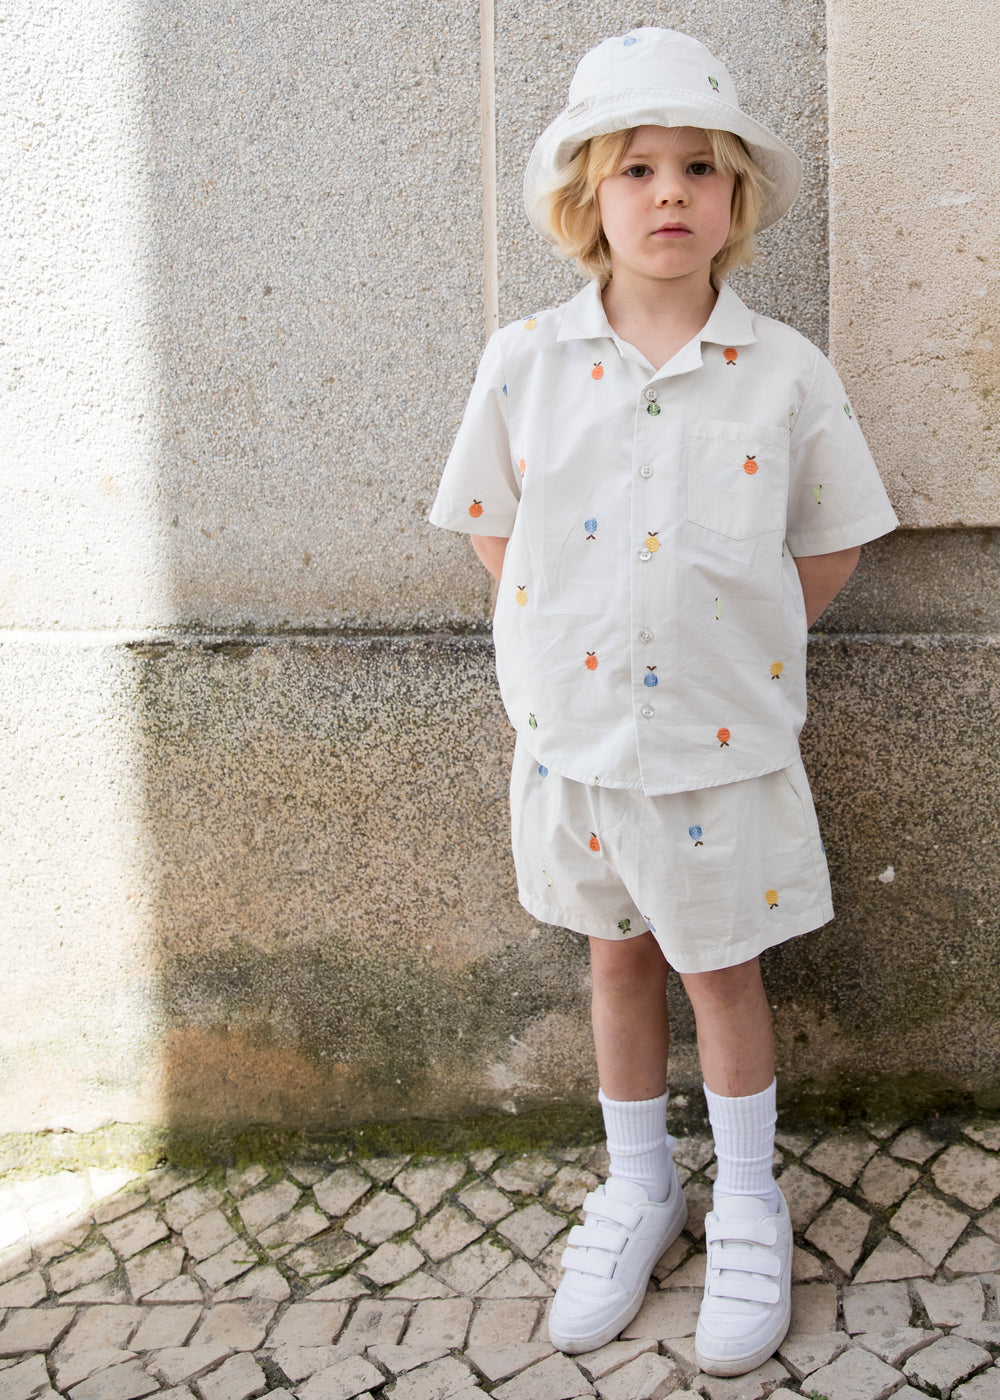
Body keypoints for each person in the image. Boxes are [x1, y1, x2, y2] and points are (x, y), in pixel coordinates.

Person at [429, 27, 897, 1377]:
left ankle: (749, 1197)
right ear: (592, 197)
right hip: (577, 746)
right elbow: (491, 525)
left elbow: (834, 539)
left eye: (701, 165)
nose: (672, 190)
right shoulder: (525, 361)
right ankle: (640, 1185)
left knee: (722, 968)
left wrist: (724, 648)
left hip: (716, 746)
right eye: (640, 167)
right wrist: (566, 638)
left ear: (738, 198)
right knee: (616, 960)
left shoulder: (784, 374)